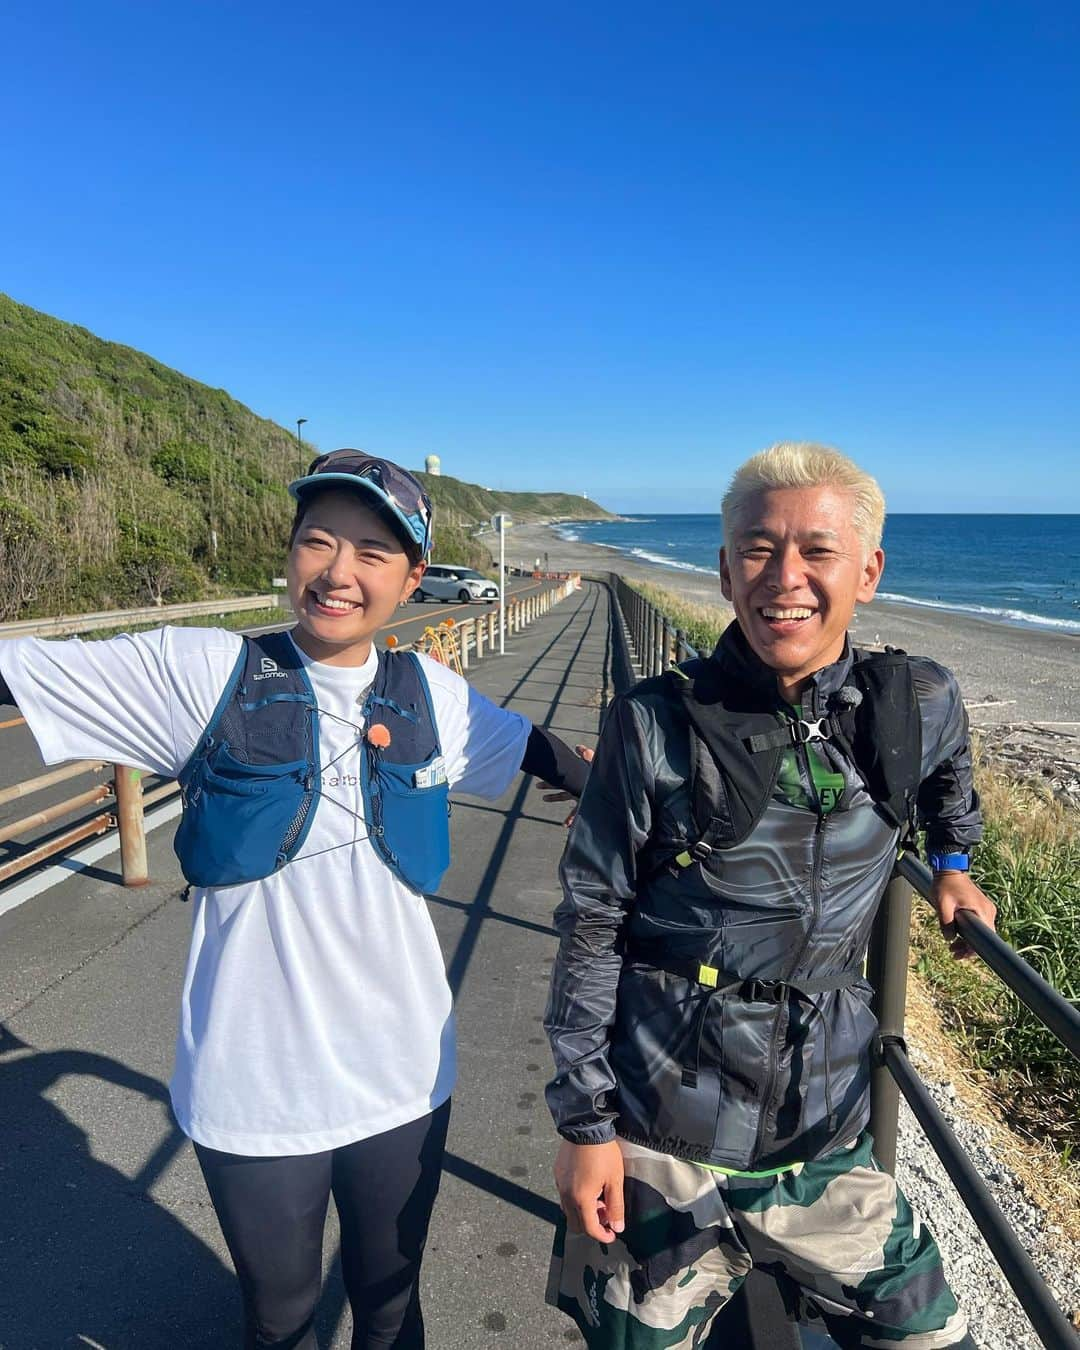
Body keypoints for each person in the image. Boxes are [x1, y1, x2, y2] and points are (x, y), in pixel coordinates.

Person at [0, 450, 586, 1350]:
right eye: (317, 541)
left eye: (372, 552)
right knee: (278, 1315)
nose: (339, 572)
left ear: (413, 576)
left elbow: (534, 749)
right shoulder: (203, 674)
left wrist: (605, 778)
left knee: (390, 1304)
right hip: (254, 1080)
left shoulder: (429, 692)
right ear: (291, 552)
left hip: (405, 1075)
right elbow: (23, 671)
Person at [544, 443, 994, 1350]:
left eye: (816, 551)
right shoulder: (654, 723)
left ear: (867, 571)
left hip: (821, 1135)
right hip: (657, 1131)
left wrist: (951, 861)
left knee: (930, 1336)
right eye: (757, 548)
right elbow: (591, 922)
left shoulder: (914, 700)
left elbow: (951, 774)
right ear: (722, 570)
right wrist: (585, 1125)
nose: (784, 577)